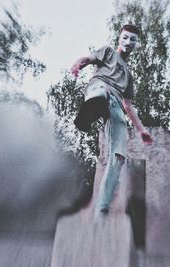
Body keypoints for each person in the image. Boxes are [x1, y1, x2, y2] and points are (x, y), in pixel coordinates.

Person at [70, 24, 152, 215]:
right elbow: (89, 58)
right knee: (101, 93)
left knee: (119, 156)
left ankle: (102, 207)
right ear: (119, 38)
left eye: (133, 39)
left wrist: (141, 130)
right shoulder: (107, 52)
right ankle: (89, 113)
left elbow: (128, 106)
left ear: (136, 44)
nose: (128, 42)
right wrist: (78, 63)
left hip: (116, 106)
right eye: (125, 37)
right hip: (99, 87)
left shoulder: (129, 75)